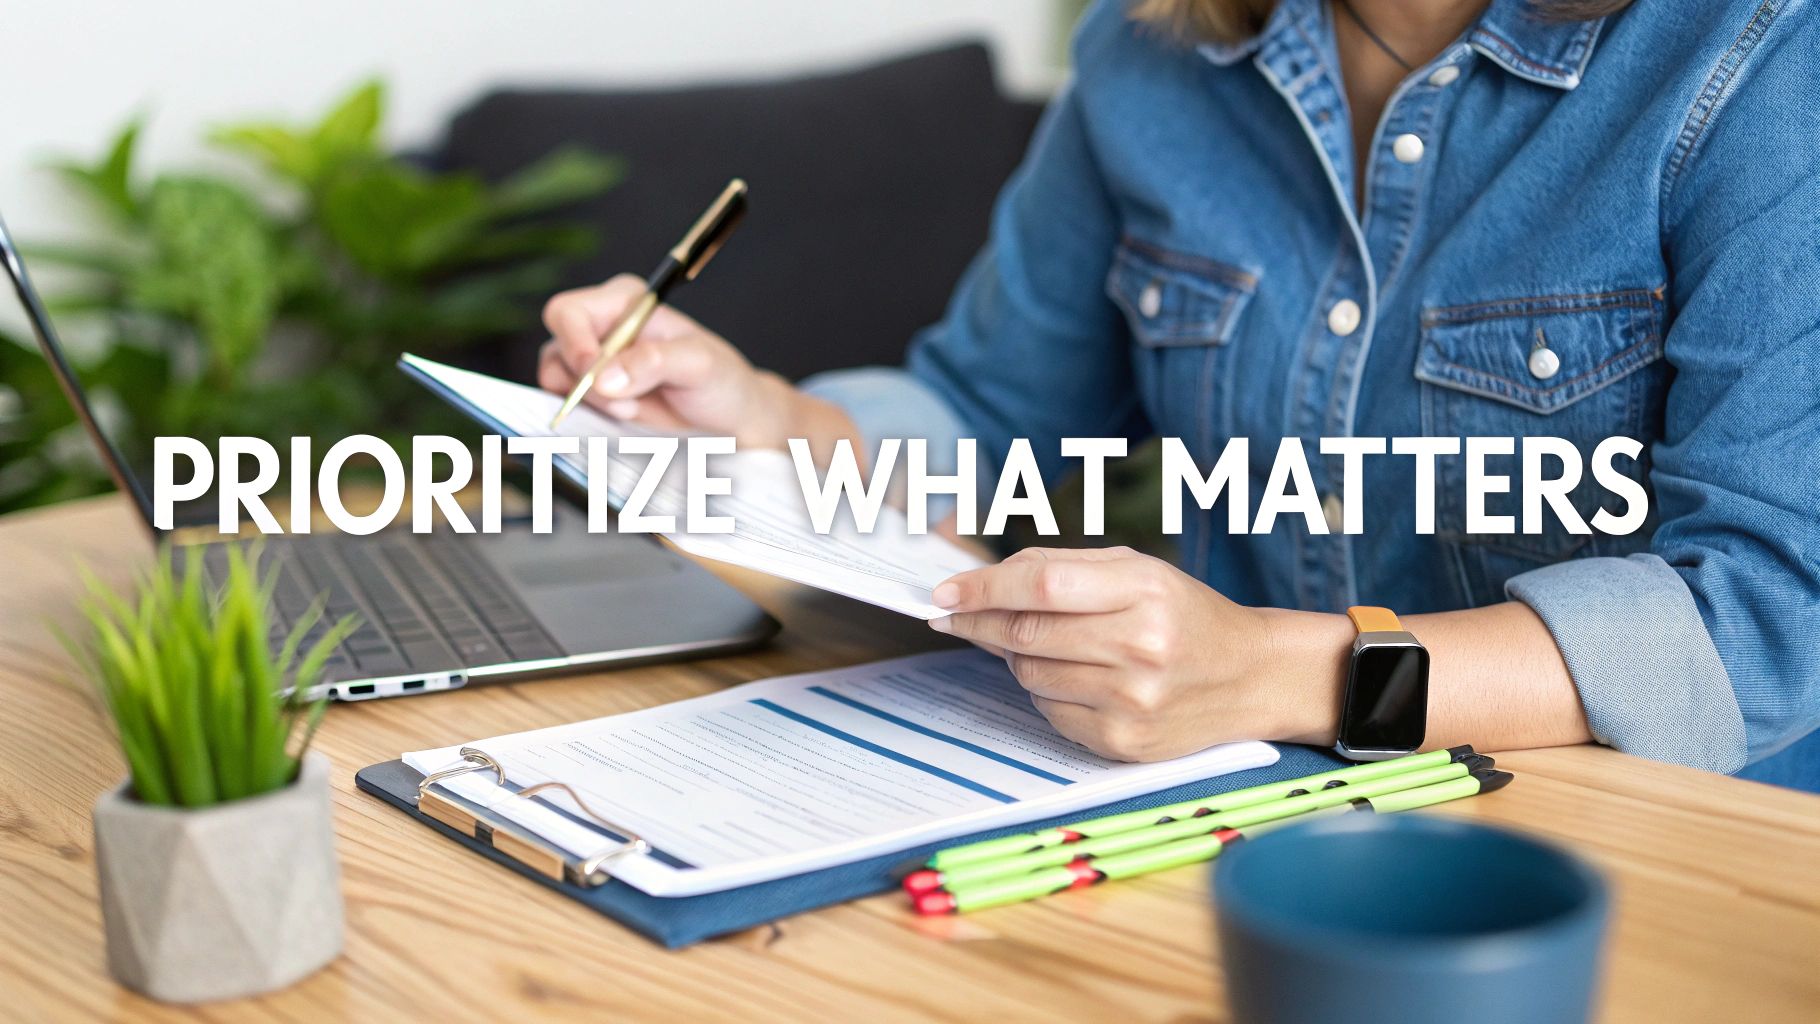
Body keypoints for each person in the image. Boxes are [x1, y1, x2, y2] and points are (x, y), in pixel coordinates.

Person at [539, 0, 1820, 788]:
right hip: (1232, 802)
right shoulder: (1139, 59)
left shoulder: (1758, 53)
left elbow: (1765, 613)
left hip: (1648, 840)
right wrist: (764, 422)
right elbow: (988, 420)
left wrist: (1278, 673)